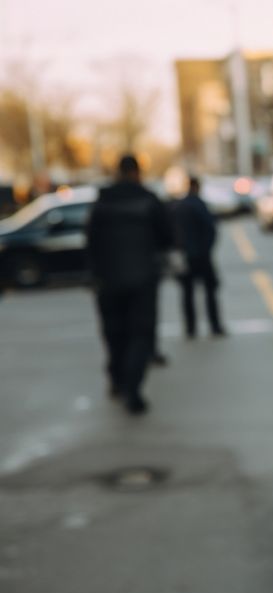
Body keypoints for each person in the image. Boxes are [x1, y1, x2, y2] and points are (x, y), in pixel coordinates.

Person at [86, 155, 172, 414]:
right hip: (142, 279)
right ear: (137, 172)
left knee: (114, 332)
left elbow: (90, 242)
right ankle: (132, 390)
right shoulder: (149, 199)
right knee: (140, 334)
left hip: (108, 280)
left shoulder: (102, 201)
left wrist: (95, 274)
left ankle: (118, 381)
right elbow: (166, 236)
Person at [172, 176, 226, 338]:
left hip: (186, 255)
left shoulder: (180, 206)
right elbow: (211, 229)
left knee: (187, 294)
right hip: (201, 256)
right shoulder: (200, 205)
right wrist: (206, 249)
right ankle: (214, 326)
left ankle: (190, 328)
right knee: (209, 292)